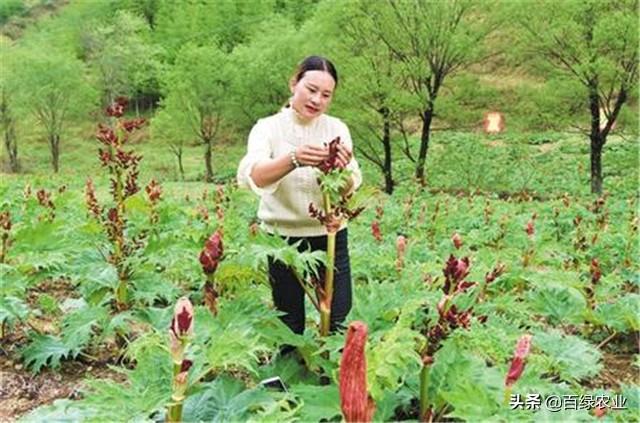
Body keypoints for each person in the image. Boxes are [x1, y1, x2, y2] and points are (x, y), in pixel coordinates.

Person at [237, 56, 362, 335]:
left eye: (326, 95)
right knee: (289, 324)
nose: (317, 100)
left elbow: (349, 187)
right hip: (283, 238)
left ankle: (329, 376)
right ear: (294, 84)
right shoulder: (267, 128)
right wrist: (293, 158)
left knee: (338, 320)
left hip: (329, 236)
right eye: (311, 89)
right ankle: (289, 374)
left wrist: (341, 170)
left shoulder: (337, 128)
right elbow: (253, 175)